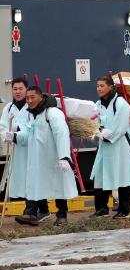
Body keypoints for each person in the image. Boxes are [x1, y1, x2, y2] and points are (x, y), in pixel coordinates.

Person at [7, 86, 78, 226]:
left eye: (32, 97)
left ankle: (62, 215)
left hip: (53, 157)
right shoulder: (32, 114)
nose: (29, 100)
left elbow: (61, 133)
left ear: (41, 97)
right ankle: (32, 213)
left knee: (59, 185)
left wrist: (64, 157)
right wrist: (15, 136)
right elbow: (29, 134)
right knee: (35, 183)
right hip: (37, 158)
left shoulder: (52, 113)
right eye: (27, 98)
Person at [90, 76, 130, 219]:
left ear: (110, 87)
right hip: (104, 145)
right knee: (100, 175)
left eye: (102, 86)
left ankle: (123, 210)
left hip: (120, 146)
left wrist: (110, 135)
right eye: (97, 86)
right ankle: (101, 208)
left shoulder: (121, 104)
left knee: (122, 176)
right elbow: (95, 122)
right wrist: (99, 132)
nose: (99, 89)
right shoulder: (98, 104)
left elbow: (121, 126)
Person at [1, 77, 31, 214]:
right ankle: (29, 207)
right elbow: (2, 126)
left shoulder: (31, 107)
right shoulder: (8, 108)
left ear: (26, 90)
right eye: (15, 89)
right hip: (14, 150)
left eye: (20, 89)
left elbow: (32, 128)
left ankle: (32, 208)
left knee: (30, 178)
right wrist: (6, 135)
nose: (18, 92)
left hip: (28, 150)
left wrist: (18, 130)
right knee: (17, 179)